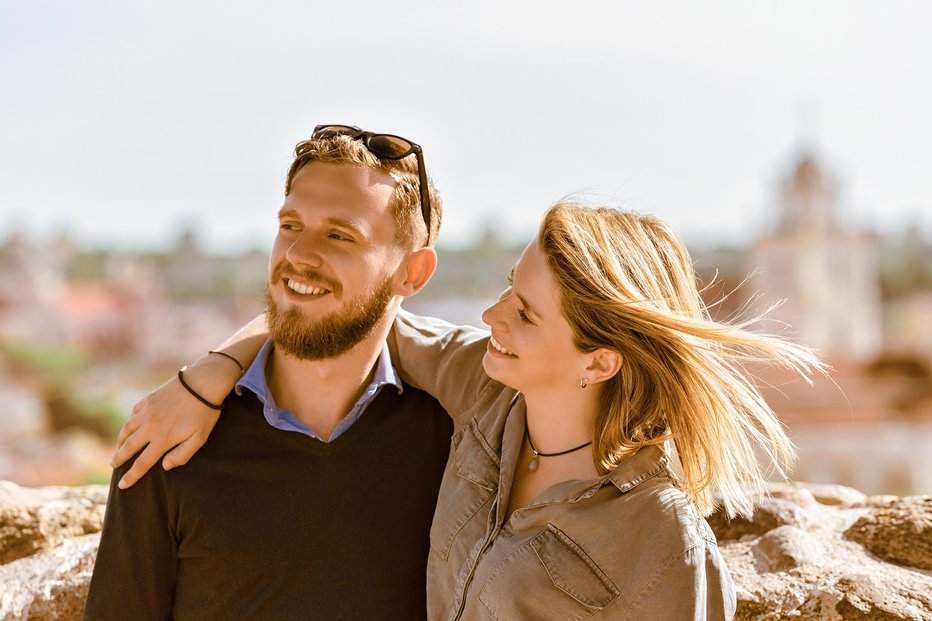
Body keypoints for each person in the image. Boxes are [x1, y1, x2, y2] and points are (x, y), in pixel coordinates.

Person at [114, 205, 823, 620]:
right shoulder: (485, 386)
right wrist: (210, 372)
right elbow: (350, 312)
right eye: (507, 288)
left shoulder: (659, 536)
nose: (491, 317)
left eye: (523, 313)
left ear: (600, 361)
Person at [84, 125, 454, 620]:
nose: (298, 255)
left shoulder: (456, 445)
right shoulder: (169, 440)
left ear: (413, 272)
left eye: (340, 234)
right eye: (290, 225)